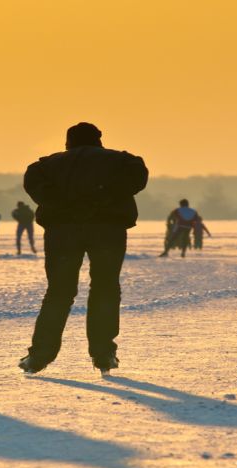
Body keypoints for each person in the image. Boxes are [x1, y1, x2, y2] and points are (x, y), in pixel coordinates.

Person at [18, 122, 148, 374]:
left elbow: (35, 185)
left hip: (63, 230)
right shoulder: (123, 161)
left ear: (68, 142)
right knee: (105, 287)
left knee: (59, 292)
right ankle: (103, 354)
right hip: (107, 229)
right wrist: (103, 198)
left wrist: (68, 204)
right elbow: (137, 177)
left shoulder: (45, 166)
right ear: (99, 140)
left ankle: (39, 356)